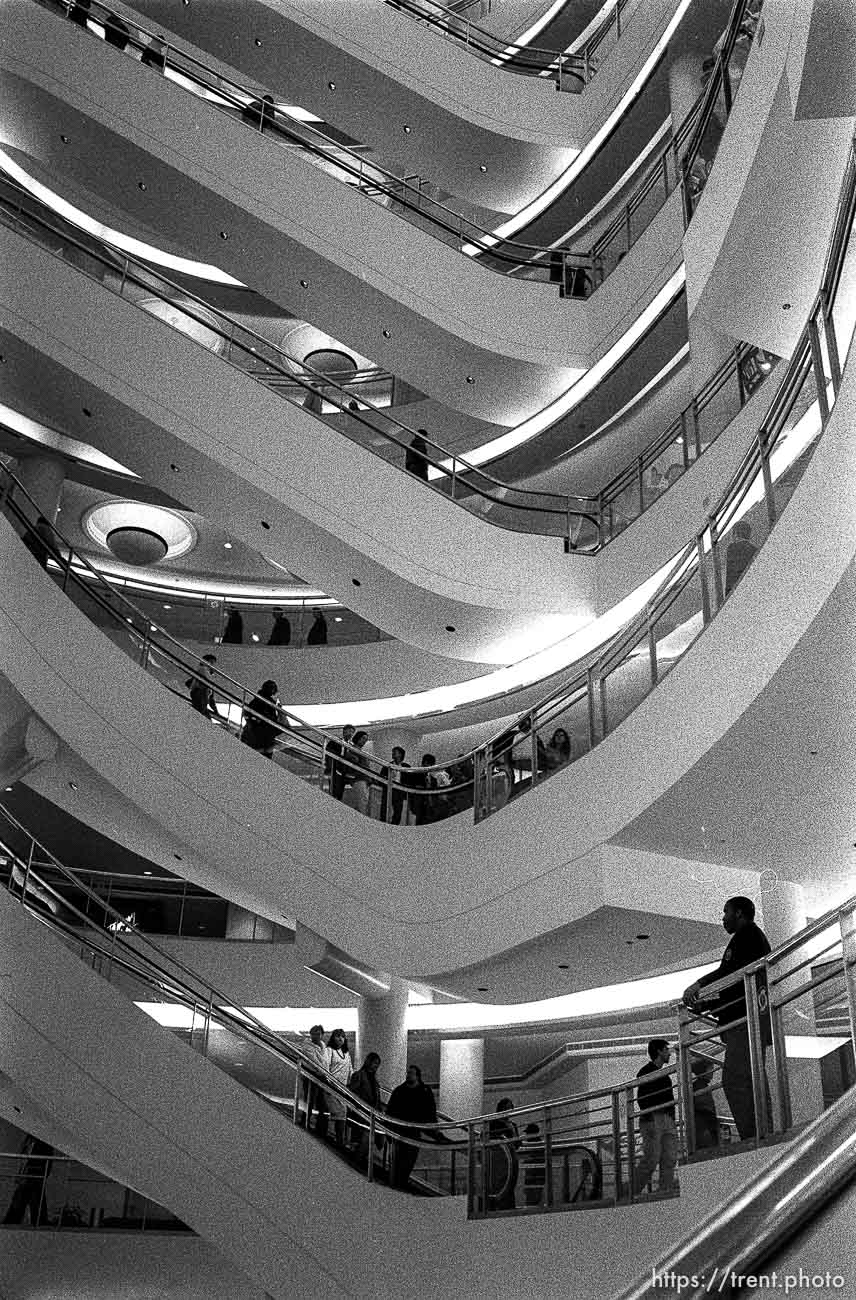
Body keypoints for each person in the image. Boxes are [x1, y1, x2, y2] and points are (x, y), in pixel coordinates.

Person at [683, 897, 771, 1141]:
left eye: (726, 912)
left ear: (739, 913)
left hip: (745, 1022)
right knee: (748, 1080)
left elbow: (729, 974)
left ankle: (754, 1137)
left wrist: (698, 985)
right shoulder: (750, 938)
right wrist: (708, 1004)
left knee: (736, 1081)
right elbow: (734, 987)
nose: (723, 918)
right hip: (746, 1018)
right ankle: (760, 1133)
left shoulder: (748, 936)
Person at [633, 1039, 678, 1196]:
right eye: (666, 1049)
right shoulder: (646, 1072)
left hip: (665, 1118)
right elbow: (643, 1100)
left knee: (670, 1157)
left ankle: (665, 1191)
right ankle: (630, 1193)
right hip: (653, 1119)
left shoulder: (664, 1076)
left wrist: (671, 1118)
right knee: (651, 1159)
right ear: (659, 1051)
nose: (669, 1052)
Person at [386, 1065, 437, 1190]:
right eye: (408, 1073)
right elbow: (390, 1110)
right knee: (398, 1160)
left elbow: (431, 1109)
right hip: (400, 1131)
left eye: (411, 1073)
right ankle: (398, 1183)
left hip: (415, 1131)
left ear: (417, 1075)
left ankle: (401, 1182)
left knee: (409, 1160)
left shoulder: (424, 1091)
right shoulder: (399, 1091)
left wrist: (433, 1126)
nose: (408, 1075)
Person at [3, 1134, 54, 1225]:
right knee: (31, 1198)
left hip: (34, 1175)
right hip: (30, 1175)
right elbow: (24, 1157)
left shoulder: (43, 1142)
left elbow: (46, 1161)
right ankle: (38, 1222)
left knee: (26, 1197)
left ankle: (11, 1222)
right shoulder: (31, 1140)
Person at [348, 1052, 382, 1163]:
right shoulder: (359, 1075)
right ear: (369, 1062)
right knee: (363, 1140)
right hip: (361, 1113)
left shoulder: (374, 1080)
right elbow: (352, 1093)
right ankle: (357, 1163)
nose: (376, 1066)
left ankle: (359, 1162)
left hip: (371, 1115)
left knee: (367, 1141)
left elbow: (376, 1098)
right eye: (374, 1063)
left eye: (378, 1064)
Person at [487, 1098, 520, 1210]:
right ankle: (498, 1207)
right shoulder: (494, 1123)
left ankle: (509, 1207)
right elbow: (491, 1139)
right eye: (506, 1108)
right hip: (500, 1159)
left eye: (510, 1108)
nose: (509, 1110)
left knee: (511, 1182)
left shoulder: (513, 1124)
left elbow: (517, 1142)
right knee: (500, 1183)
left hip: (512, 1155)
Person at [300, 1023, 329, 1138]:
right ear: (310, 1035)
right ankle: (304, 1123)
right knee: (310, 1101)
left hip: (321, 1077)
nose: (316, 1036)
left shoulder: (324, 1047)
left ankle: (320, 1129)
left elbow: (325, 1063)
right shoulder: (307, 1047)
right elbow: (314, 1063)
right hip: (311, 1077)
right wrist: (323, 1072)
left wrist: (325, 1074)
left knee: (322, 1103)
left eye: (318, 1033)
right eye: (313, 1034)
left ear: (322, 1035)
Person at [325, 1029, 353, 1147]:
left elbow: (350, 1070)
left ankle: (340, 1142)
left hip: (343, 1090)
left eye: (343, 1036)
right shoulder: (329, 1050)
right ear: (333, 1038)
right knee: (335, 1114)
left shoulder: (346, 1053)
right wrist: (329, 1082)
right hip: (332, 1088)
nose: (341, 1038)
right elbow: (325, 1067)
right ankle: (334, 1141)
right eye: (338, 1036)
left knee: (342, 1116)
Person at [241, 679, 282, 757]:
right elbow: (273, 722)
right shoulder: (270, 704)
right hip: (264, 741)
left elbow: (246, 714)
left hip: (250, 737)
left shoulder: (255, 701)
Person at [343, 730, 373, 815]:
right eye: (363, 738)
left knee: (363, 802)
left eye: (366, 739)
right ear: (358, 737)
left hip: (365, 779)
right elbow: (350, 759)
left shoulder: (361, 751)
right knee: (362, 802)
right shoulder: (353, 750)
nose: (364, 741)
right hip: (359, 778)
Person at [724, 520, 758, 595]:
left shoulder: (732, 547)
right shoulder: (755, 549)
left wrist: (727, 594)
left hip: (736, 588)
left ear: (735, 533)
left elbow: (730, 574)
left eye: (733, 533)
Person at [692, 1057, 719, 1150]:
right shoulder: (701, 1087)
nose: (713, 1071)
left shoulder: (698, 1085)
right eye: (710, 1068)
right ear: (703, 1070)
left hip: (702, 1128)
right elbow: (705, 1109)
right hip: (705, 1129)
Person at [326, 723, 355, 800]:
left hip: (344, 771)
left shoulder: (351, 745)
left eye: (352, 732)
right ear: (344, 731)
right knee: (334, 790)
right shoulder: (335, 741)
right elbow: (328, 753)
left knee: (340, 792)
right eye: (349, 731)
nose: (351, 734)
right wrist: (329, 769)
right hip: (335, 769)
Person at [520, 1121, 544, 1207]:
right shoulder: (540, 1143)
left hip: (533, 1177)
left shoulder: (532, 1144)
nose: (526, 1136)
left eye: (528, 1133)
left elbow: (532, 1159)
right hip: (536, 1177)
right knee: (534, 1199)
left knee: (531, 1200)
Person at [188, 653, 217, 717]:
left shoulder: (208, 672)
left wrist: (215, 710)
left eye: (213, 663)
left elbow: (211, 694)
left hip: (204, 697)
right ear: (205, 662)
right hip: (200, 695)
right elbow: (208, 680)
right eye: (211, 662)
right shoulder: (202, 669)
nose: (212, 665)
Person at [388, 746, 410, 824]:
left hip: (400, 791)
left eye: (395, 752)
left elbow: (409, 781)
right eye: (392, 752)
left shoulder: (406, 767)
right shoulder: (388, 765)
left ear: (400, 754)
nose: (393, 753)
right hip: (389, 790)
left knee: (398, 811)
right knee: (387, 809)